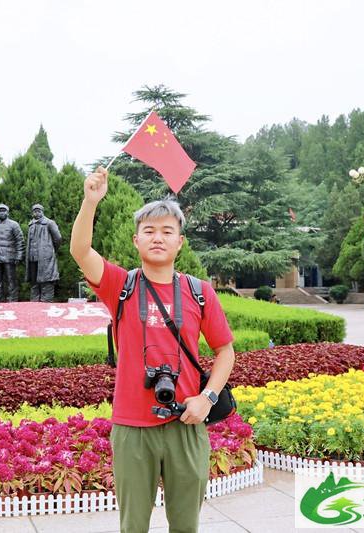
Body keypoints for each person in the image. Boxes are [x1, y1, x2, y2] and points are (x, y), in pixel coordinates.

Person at [70, 167, 235, 533]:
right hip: (132, 427)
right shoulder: (121, 287)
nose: (157, 238)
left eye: (167, 231)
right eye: (149, 231)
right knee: (133, 526)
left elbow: (225, 351)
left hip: (187, 423)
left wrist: (207, 398)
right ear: (136, 241)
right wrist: (90, 201)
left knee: (185, 525)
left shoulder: (199, 292)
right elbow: (80, 250)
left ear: (180, 243)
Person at [26, 203, 62, 302]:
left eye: (39, 211)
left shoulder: (49, 223)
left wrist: (50, 249)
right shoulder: (31, 224)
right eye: (35, 211)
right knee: (34, 282)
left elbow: (58, 238)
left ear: (42, 212)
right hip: (32, 258)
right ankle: (34, 302)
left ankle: (46, 302)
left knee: (47, 280)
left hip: (46, 257)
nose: (37, 213)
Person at [0, 203, 24, 302]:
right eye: (0, 211)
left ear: (7, 212)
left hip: (10, 256)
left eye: (4, 211)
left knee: (10, 279)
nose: (2, 213)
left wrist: (19, 255)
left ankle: (12, 298)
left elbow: (20, 241)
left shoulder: (14, 225)